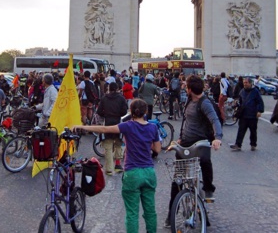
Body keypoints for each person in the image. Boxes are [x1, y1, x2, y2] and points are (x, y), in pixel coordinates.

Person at [73, 99, 161, 233]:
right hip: (149, 172)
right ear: (146, 112)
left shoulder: (128, 126)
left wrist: (83, 127)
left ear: (131, 112)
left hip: (132, 173)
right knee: (150, 211)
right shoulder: (153, 128)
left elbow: (104, 129)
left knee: (132, 213)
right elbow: (157, 149)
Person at [166, 74, 223, 227]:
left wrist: (217, 137)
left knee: (205, 160)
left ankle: (208, 188)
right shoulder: (189, 101)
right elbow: (185, 121)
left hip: (201, 141)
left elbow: (214, 120)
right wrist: (179, 138)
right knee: (177, 180)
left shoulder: (205, 103)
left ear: (190, 89)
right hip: (185, 142)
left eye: (186, 87)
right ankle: (171, 213)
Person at [96, 82, 129, 175]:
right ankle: (118, 165)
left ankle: (109, 169)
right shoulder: (121, 98)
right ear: (118, 88)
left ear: (109, 88)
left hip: (107, 123)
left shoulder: (104, 98)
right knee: (118, 144)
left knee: (108, 146)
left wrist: (106, 114)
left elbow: (99, 111)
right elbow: (124, 111)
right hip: (118, 123)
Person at [231, 78, 264, 151]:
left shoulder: (255, 91)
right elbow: (239, 101)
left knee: (253, 131)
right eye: (244, 82)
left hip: (252, 115)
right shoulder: (242, 91)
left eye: (246, 82)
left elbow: (259, 102)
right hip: (243, 115)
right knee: (241, 131)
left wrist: (259, 111)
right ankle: (238, 144)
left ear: (250, 83)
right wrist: (236, 106)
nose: (245, 84)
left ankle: (253, 144)